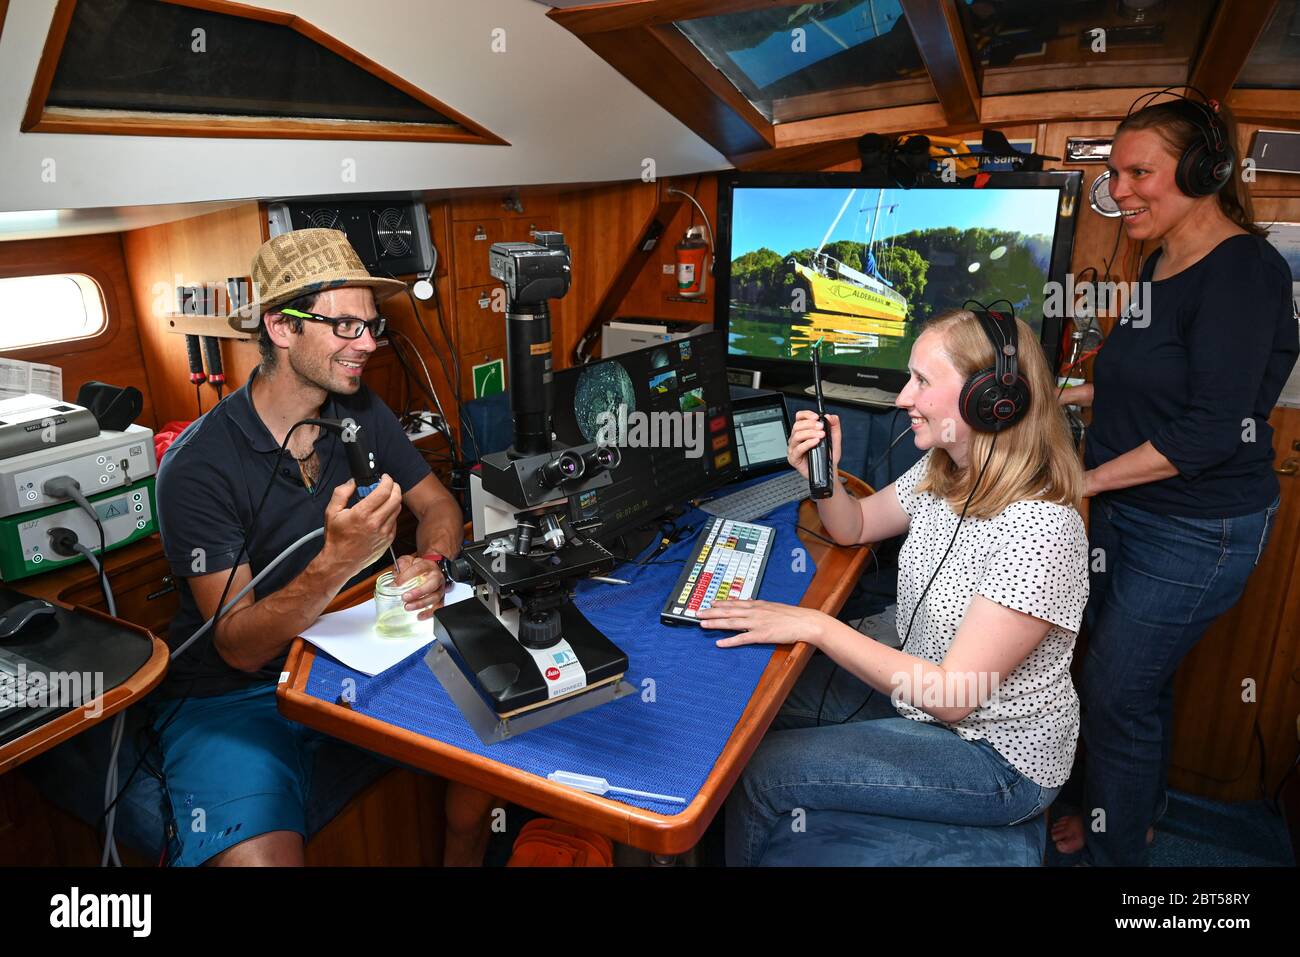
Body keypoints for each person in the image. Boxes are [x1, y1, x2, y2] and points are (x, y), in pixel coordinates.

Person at [154, 228, 488, 865]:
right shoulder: (199, 468)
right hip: (231, 696)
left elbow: (439, 505)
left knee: (487, 763)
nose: (366, 344)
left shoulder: (359, 409)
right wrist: (338, 560)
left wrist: (434, 563)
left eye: (371, 326)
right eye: (344, 327)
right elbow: (238, 645)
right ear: (282, 328)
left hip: (349, 655)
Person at [708, 308, 1088, 867]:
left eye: (923, 382)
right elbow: (853, 526)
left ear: (991, 398)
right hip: (923, 704)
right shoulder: (945, 466)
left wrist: (816, 626)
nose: (901, 397)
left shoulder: (1041, 528)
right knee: (752, 699)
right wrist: (824, 475)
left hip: (995, 758)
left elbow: (953, 699)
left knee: (764, 773)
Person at [1053, 93, 1298, 865]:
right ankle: (1128, 810)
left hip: (1198, 528)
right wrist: (1069, 395)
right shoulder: (1162, 256)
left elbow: (1208, 428)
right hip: (1133, 509)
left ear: (1203, 171)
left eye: (1138, 172)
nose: (1118, 189)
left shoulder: (1244, 274)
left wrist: (1081, 485)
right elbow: (1148, 380)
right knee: (1140, 681)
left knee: (1115, 689)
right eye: (1114, 173)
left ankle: (1115, 854)